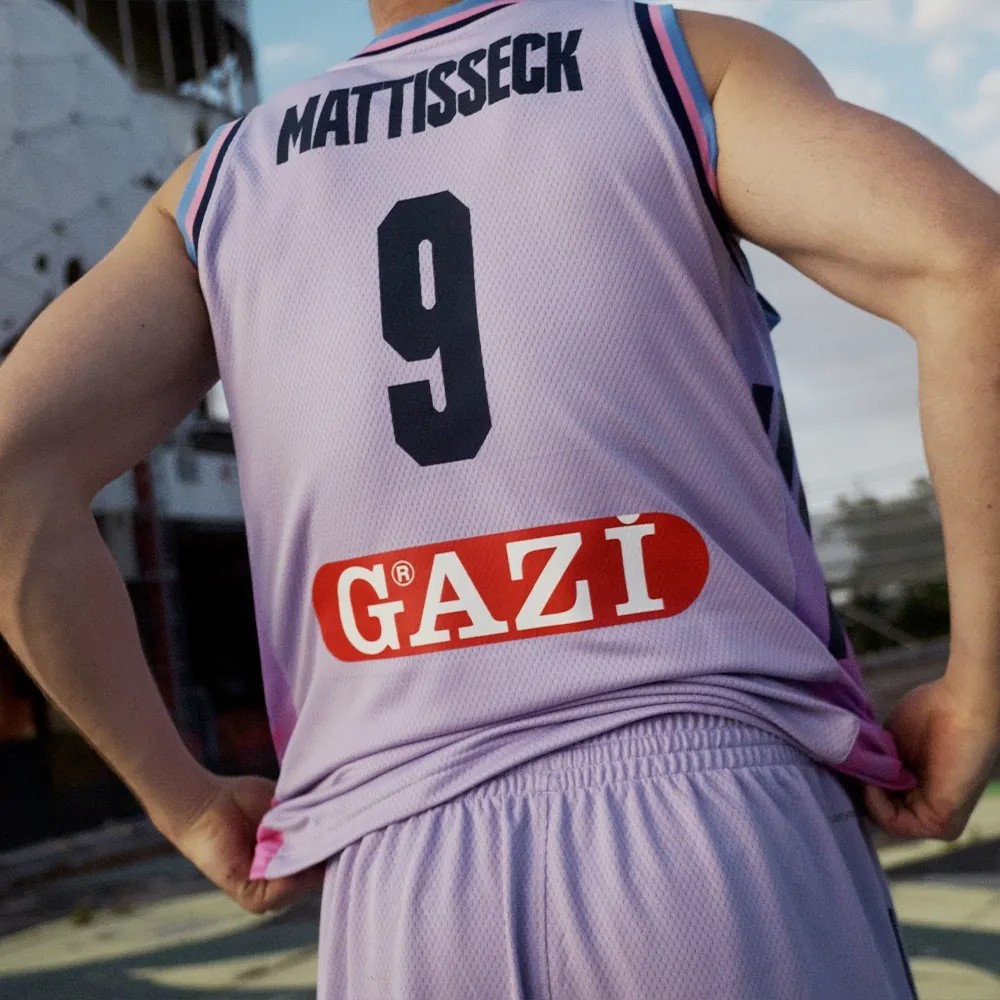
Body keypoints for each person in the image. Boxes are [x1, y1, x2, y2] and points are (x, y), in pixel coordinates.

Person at [0, 0, 998, 995]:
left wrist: (182, 803)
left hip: (398, 875)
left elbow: (15, 472)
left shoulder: (221, 183)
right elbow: (972, 264)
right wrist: (979, 688)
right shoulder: (663, 58)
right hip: (717, 814)